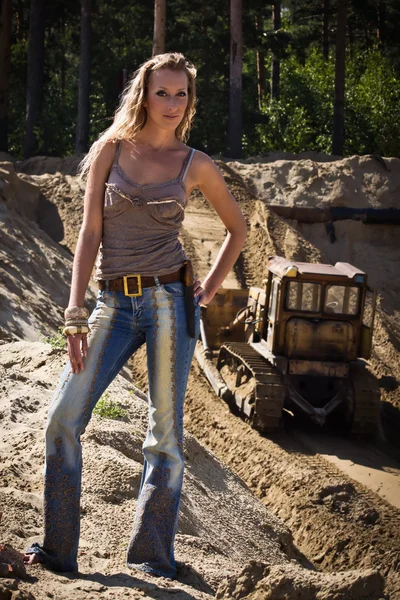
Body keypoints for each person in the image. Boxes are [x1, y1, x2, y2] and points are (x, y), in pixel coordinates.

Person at [23, 52, 247, 579]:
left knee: (164, 437)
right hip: (112, 303)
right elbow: (89, 233)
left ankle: (151, 557)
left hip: (171, 303)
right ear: (143, 95)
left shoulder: (196, 164)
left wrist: (208, 293)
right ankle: (58, 550)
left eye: (181, 94)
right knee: (63, 419)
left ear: (191, 101)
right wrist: (74, 311)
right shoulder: (111, 150)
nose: (172, 104)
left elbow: (237, 230)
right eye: (162, 92)